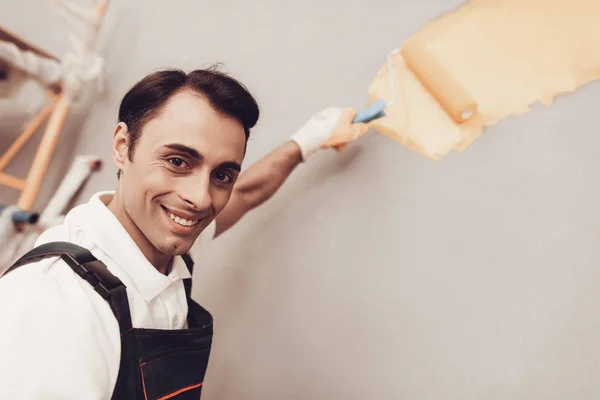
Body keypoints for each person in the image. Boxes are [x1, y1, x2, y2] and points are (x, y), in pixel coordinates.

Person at [0, 66, 369, 399]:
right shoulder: (54, 304)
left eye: (221, 174)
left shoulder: (164, 244)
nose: (200, 198)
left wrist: (310, 139)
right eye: (178, 162)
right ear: (121, 146)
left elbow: (247, 192)